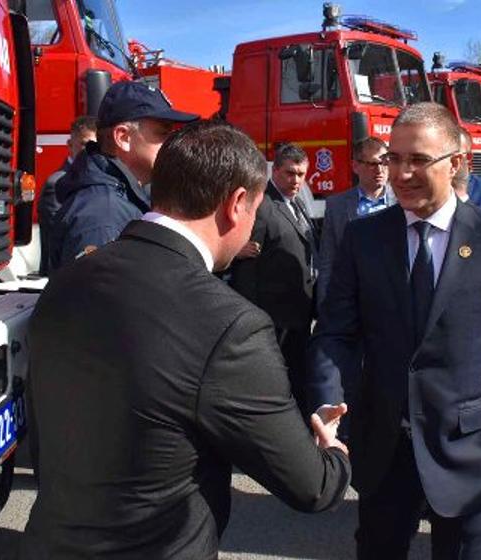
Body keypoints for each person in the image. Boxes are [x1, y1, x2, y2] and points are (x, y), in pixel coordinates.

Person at [21, 120, 351, 560]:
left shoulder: (68, 280)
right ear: (236, 204)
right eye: (255, 211)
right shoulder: (231, 325)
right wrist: (333, 450)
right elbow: (313, 486)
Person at [308, 102, 481, 560]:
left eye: (418, 159)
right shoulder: (363, 238)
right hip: (384, 450)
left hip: (468, 451)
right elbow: (336, 333)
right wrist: (326, 402)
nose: (401, 173)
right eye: (394, 158)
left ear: (456, 162)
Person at [48, 81, 198, 271]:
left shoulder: (122, 200)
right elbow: (99, 290)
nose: (173, 144)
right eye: (163, 134)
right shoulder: (103, 218)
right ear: (123, 137)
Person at [229, 143, 318, 412]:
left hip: (299, 313)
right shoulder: (263, 206)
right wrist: (253, 317)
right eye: (290, 173)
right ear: (275, 171)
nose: (296, 180)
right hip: (273, 318)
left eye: (301, 174)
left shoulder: (298, 203)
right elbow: (247, 265)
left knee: (298, 380)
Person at [317, 136, 395, 305]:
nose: (380, 170)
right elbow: (327, 259)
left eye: (385, 163)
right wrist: (324, 305)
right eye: (373, 164)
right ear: (355, 166)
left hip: (393, 300)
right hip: (353, 300)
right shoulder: (336, 206)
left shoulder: (402, 203)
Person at [38, 115, 97, 275]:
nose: (90, 151)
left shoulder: (95, 180)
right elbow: (60, 240)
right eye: (84, 144)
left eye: (95, 145)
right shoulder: (56, 184)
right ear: (70, 146)